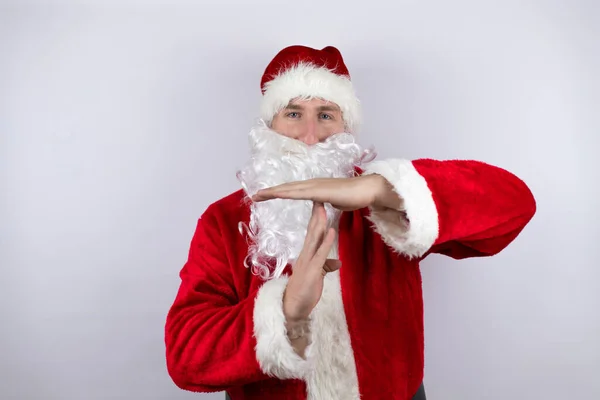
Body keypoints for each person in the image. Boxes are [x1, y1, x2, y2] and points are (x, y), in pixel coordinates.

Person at [164, 45, 537, 400]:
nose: (310, 136)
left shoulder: (385, 201)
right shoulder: (226, 221)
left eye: (326, 115)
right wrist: (286, 311)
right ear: (270, 126)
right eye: (293, 114)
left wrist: (382, 189)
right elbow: (185, 356)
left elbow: (515, 205)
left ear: (346, 127)